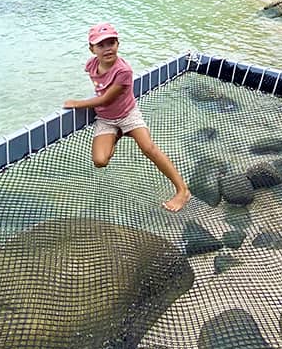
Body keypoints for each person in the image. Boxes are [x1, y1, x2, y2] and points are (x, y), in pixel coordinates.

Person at [63, 23, 191, 212]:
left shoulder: (123, 71)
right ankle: (116, 135)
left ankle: (182, 191)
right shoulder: (91, 65)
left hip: (128, 115)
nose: (107, 48)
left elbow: (105, 98)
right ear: (92, 49)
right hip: (106, 119)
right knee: (100, 161)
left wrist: (77, 103)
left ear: (118, 44)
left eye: (111, 43)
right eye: (101, 45)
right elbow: (101, 90)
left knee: (149, 148)